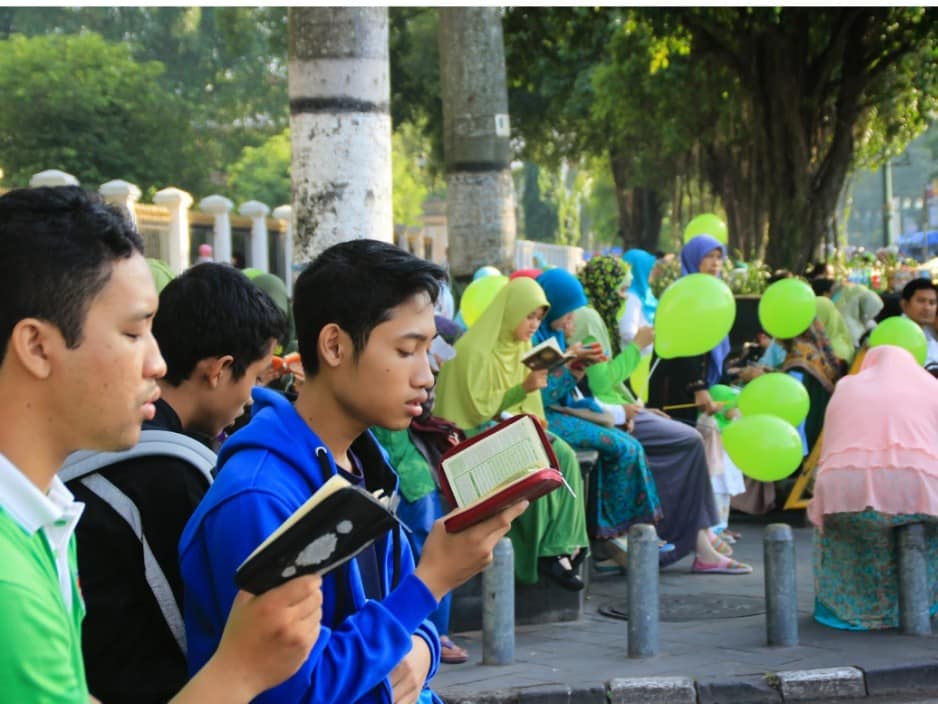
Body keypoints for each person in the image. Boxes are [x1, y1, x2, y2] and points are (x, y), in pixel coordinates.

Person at [0, 186, 323, 703]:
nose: (157, 363)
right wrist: (240, 669)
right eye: (133, 334)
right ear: (37, 346)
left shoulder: (43, 518)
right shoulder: (8, 586)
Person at [179, 239, 527, 704]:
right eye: (407, 351)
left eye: (429, 351)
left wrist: (423, 648)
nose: (426, 375)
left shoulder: (366, 466)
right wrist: (432, 582)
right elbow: (294, 690)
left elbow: (406, 627)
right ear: (335, 346)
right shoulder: (259, 497)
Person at [65, 262, 288, 703]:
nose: (250, 399)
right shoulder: (168, 470)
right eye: (255, 377)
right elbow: (204, 619)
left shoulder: (115, 439)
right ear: (219, 369)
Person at [576, 259, 748, 574]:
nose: (625, 296)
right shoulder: (589, 319)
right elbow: (601, 385)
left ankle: (699, 537)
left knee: (687, 438)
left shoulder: (601, 318)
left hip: (620, 411)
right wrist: (636, 349)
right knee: (690, 439)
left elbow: (613, 385)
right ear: (604, 287)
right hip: (606, 416)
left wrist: (638, 407)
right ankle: (699, 542)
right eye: (621, 288)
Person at [433, 277, 590, 591]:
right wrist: (524, 388)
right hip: (468, 436)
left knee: (564, 455)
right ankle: (545, 553)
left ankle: (563, 544)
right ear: (510, 311)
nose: (533, 325)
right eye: (528, 316)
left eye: (538, 318)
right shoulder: (473, 351)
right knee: (540, 457)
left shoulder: (523, 349)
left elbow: (524, 407)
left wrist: (533, 414)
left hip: (504, 428)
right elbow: (477, 411)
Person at [532, 268, 664, 569]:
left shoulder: (554, 336)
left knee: (626, 445)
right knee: (623, 447)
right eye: (565, 314)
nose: (571, 322)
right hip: (541, 418)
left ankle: (623, 532)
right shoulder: (538, 341)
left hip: (557, 412)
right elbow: (542, 396)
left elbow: (566, 393)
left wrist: (576, 365)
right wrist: (574, 364)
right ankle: (611, 536)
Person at [808, 345, 938, 630]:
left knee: (848, 539)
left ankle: (851, 612)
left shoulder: (847, 387)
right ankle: (917, 606)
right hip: (921, 495)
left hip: (844, 494)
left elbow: (828, 450)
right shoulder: (930, 386)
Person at [646, 236, 747, 545]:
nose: (715, 263)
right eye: (709, 257)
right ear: (694, 259)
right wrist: (698, 387)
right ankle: (686, 527)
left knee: (703, 452)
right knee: (682, 451)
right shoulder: (686, 292)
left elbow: (712, 343)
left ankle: (709, 524)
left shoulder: (714, 294)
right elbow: (685, 342)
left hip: (699, 383)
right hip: (675, 384)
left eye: (719, 257)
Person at [808, 261, 883, 347]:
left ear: (825, 293)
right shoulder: (850, 288)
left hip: (852, 339)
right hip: (866, 329)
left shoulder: (837, 305)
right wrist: (866, 318)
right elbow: (874, 303)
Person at [620, 249, 660, 354]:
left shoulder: (643, 295)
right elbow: (627, 332)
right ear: (639, 270)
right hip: (637, 363)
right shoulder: (630, 297)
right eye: (649, 268)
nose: (653, 273)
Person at [899, 278, 938, 367]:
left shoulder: (929, 337)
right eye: (921, 301)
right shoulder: (894, 333)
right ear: (905, 304)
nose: (927, 307)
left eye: (932, 303)